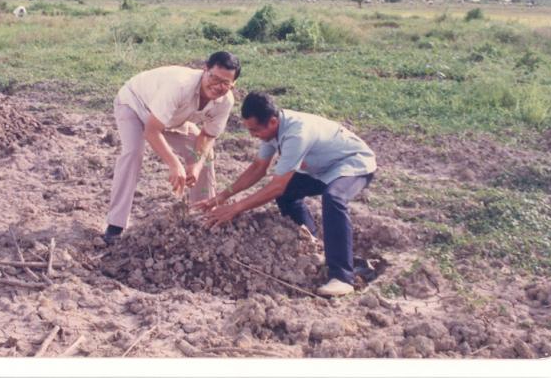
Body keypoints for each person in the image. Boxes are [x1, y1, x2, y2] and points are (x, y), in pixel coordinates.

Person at [195, 91, 376, 297]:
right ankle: (314, 245)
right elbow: (258, 168)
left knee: (333, 198)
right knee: (288, 194)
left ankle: (342, 277)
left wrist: (235, 208)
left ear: (272, 122)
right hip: (323, 168)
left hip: (354, 163)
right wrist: (221, 197)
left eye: (255, 130)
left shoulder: (296, 134)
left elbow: (276, 186)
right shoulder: (272, 129)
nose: (252, 135)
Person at [103, 51, 241, 244]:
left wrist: (196, 165)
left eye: (225, 83)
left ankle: (202, 215)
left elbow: (208, 136)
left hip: (171, 118)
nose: (218, 86)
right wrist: (175, 165)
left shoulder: (225, 101)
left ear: (233, 84)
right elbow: (152, 131)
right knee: (133, 153)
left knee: (205, 156)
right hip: (135, 104)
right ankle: (115, 225)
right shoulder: (180, 86)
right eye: (214, 78)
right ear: (205, 70)